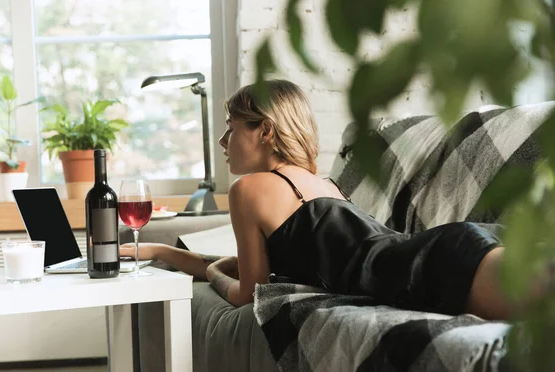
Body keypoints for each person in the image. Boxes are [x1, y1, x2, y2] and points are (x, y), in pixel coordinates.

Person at [120, 79, 545, 320]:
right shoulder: (320, 184)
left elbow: (246, 290)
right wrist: (157, 250)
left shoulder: (248, 190)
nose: (223, 139)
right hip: (441, 251)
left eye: (232, 127)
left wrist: (213, 272)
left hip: (432, 271)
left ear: (266, 130)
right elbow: (252, 268)